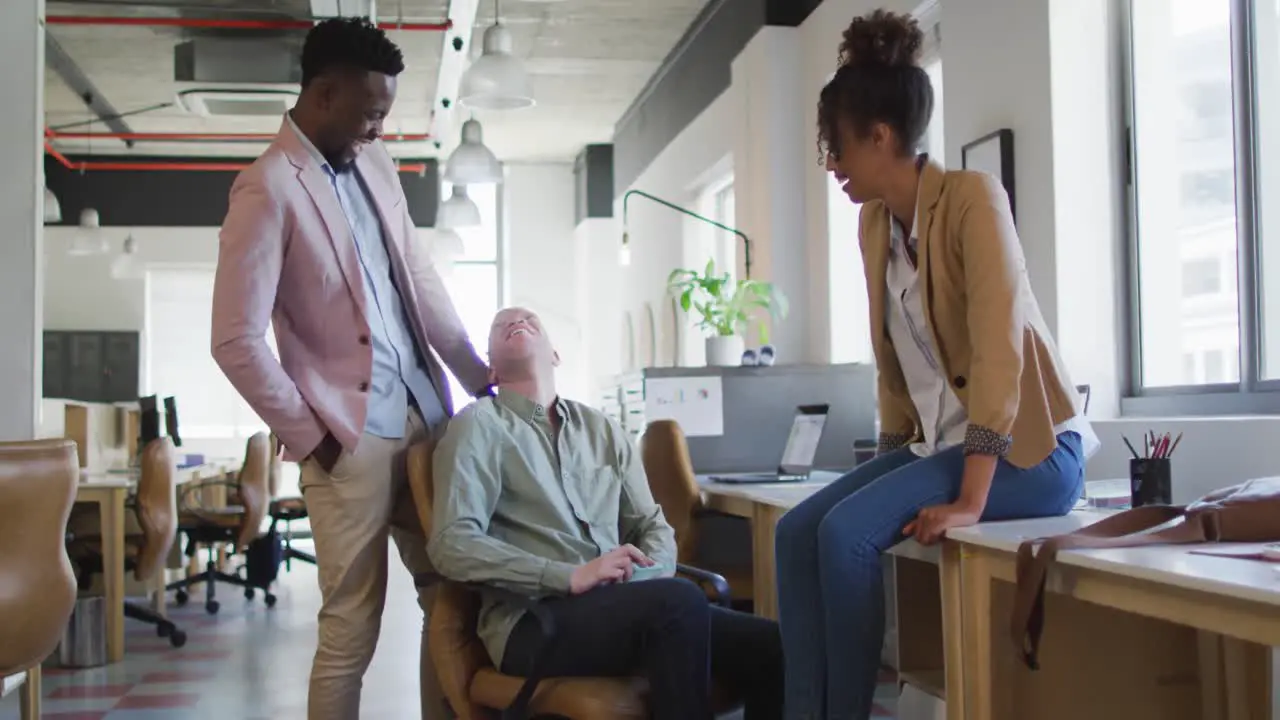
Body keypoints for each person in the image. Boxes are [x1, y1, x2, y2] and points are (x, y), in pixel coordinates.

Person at [774, 10, 1099, 720]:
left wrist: (970, 499)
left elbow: (997, 353)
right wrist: (882, 473)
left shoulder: (973, 200)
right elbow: (894, 372)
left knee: (845, 534)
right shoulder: (874, 225)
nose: (831, 164)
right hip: (946, 446)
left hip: (1032, 454)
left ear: (881, 137)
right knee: (795, 531)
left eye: (837, 147)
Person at [210, 17, 490, 720]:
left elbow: (419, 281)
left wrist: (478, 377)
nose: (377, 128)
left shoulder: (375, 162)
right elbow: (234, 339)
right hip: (348, 438)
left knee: (452, 604)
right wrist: (313, 435)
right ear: (325, 95)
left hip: (428, 420)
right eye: (370, 113)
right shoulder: (266, 187)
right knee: (350, 630)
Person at [428, 307, 784, 720]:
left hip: (622, 607)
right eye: (500, 325)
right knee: (677, 602)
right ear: (491, 372)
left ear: (556, 355)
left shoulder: (601, 429)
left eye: (530, 320)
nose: (515, 319)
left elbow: (652, 525)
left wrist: (643, 575)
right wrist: (567, 576)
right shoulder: (480, 426)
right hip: (533, 622)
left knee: (771, 644)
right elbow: (451, 544)